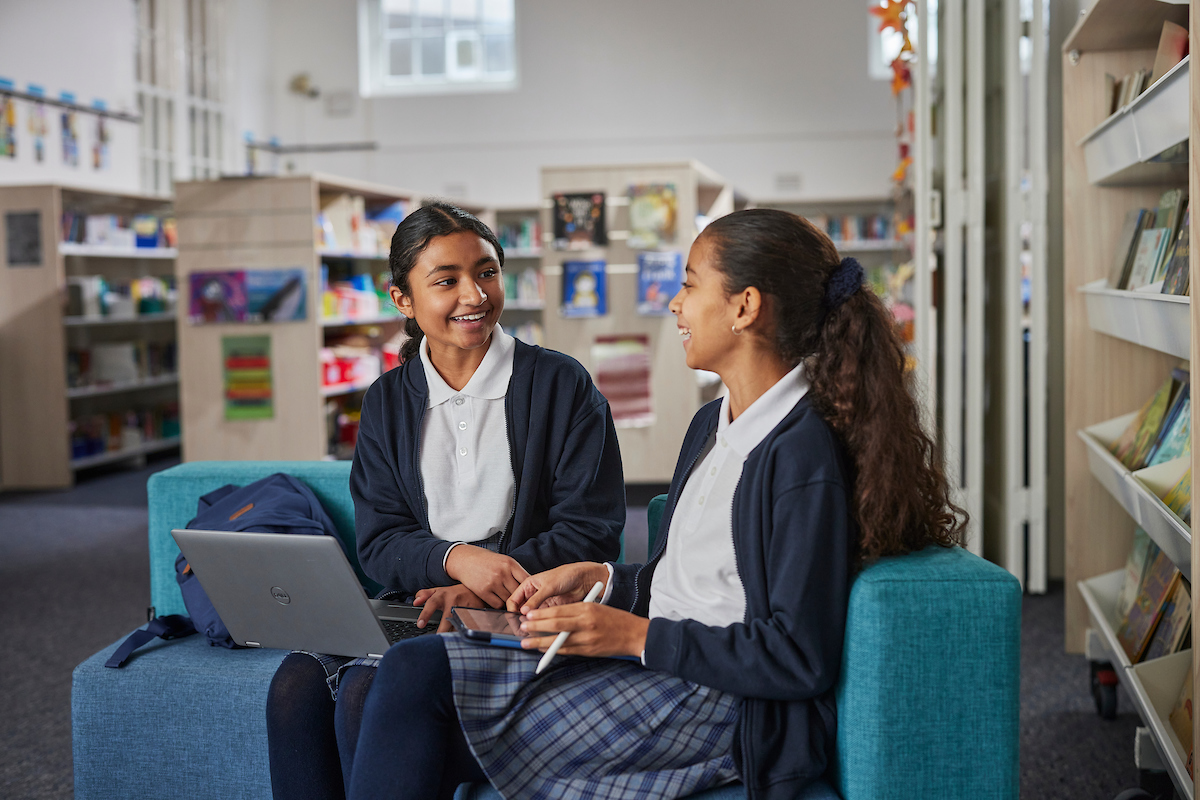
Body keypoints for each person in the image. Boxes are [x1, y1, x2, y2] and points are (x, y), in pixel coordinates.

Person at [346, 208, 967, 800]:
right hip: (667, 661)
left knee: (406, 688)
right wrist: (606, 580)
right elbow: (688, 583)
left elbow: (796, 659)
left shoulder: (798, 456)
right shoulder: (711, 424)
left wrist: (632, 634)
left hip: (722, 701)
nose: (675, 303)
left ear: (745, 307)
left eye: (691, 285)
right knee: (396, 684)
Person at [265, 202, 626, 800]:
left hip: (526, 607)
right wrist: (456, 560)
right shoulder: (386, 400)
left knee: (363, 694)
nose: (474, 294)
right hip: (421, 600)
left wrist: (488, 584)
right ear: (402, 300)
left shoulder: (562, 385)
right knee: (293, 688)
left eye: (486, 272)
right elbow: (380, 543)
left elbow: (591, 533)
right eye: (446, 280)